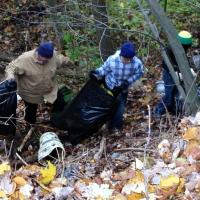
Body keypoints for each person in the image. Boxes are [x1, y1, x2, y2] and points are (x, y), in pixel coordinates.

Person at [5, 41, 71, 125]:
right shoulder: (25, 59)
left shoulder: (53, 56)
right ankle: (30, 125)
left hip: (49, 88)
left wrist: (71, 61)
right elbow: (11, 67)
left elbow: (61, 60)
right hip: (30, 92)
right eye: (42, 57)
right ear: (38, 52)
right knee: (31, 111)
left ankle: (55, 121)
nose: (44, 60)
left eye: (47, 59)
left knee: (60, 103)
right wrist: (10, 77)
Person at [90, 41, 144, 133]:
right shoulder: (112, 60)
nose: (128, 61)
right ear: (121, 55)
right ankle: (103, 125)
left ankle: (115, 128)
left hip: (122, 89)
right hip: (110, 86)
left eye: (130, 59)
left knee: (120, 109)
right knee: (107, 107)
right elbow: (104, 70)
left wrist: (127, 82)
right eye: (125, 59)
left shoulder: (137, 63)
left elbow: (140, 73)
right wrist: (95, 72)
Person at [154, 30, 193, 117]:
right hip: (169, 74)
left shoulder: (183, 50)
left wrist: (189, 69)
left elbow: (185, 60)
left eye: (186, 47)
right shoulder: (169, 49)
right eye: (184, 47)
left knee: (177, 94)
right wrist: (175, 69)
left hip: (179, 73)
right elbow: (165, 63)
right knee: (169, 96)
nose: (185, 49)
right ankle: (158, 111)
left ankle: (174, 111)